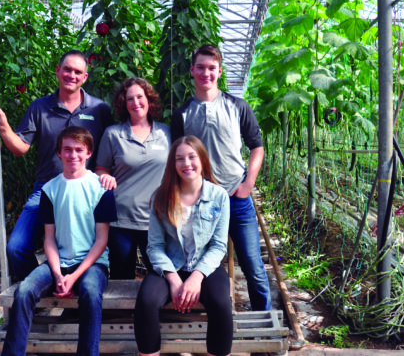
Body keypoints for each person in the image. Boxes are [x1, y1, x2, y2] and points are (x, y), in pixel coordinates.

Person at [0, 50, 113, 283]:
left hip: (87, 193)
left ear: (85, 77)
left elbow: (113, 148)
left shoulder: (99, 110)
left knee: (98, 246)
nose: (71, 75)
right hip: (47, 190)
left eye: (78, 72)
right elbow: (21, 147)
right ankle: (42, 290)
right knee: (16, 248)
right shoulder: (40, 107)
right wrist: (4, 129)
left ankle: (77, 286)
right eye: (67, 69)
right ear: (57, 71)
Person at [170, 44, 272, 311]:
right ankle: (203, 316)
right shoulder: (182, 114)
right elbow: (177, 158)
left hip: (236, 198)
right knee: (198, 263)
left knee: (252, 264)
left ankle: (265, 320)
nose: (206, 73)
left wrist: (248, 183)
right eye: (200, 67)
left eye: (212, 68)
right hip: (201, 202)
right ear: (192, 70)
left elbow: (257, 145)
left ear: (220, 71)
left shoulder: (237, 106)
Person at [0, 126, 117, 356]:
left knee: (91, 293)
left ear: (89, 153)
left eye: (78, 150)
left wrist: (73, 277)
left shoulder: (100, 189)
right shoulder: (50, 190)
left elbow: (101, 241)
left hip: (92, 264)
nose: (73, 155)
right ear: (59, 153)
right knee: (23, 291)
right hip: (59, 261)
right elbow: (50, 239)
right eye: (67, 150)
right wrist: (58, 274)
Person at [134, 136, 232, 356]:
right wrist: (174, 279)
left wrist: (196, 277)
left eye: (191, 157)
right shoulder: (160, 197)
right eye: (179, 159)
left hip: (205, 265)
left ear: (202, 160)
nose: (186, 164)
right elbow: (155, 246)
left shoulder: (219, 196)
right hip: (170, 265)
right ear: (173, 164)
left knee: (220, 303)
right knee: (146, 301)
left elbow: (218, 246)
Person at [95, 78, 171, 279]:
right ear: (123, 103)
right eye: (130, 99)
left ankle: (152, 311)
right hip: (121, 218)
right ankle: (122, 312)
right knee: (121, 275)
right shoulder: (113, 134)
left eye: (140, 97)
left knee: (160, 273)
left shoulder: (165, 133)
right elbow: (101, 169)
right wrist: (105, 177)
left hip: (157, 218)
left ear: (149, 99)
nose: (136, 102)